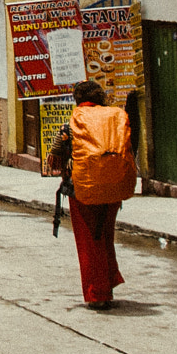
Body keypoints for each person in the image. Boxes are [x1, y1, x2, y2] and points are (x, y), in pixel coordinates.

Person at [47, 80, 139, 310]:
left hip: (83, 190)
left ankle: (97, 294)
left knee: (89, 241)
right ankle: (109, 281)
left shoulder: (73, 123)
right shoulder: (117, 117)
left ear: (78, 100)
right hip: (114, 188)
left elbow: (55, 156)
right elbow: (131, 146)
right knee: (105, 236)